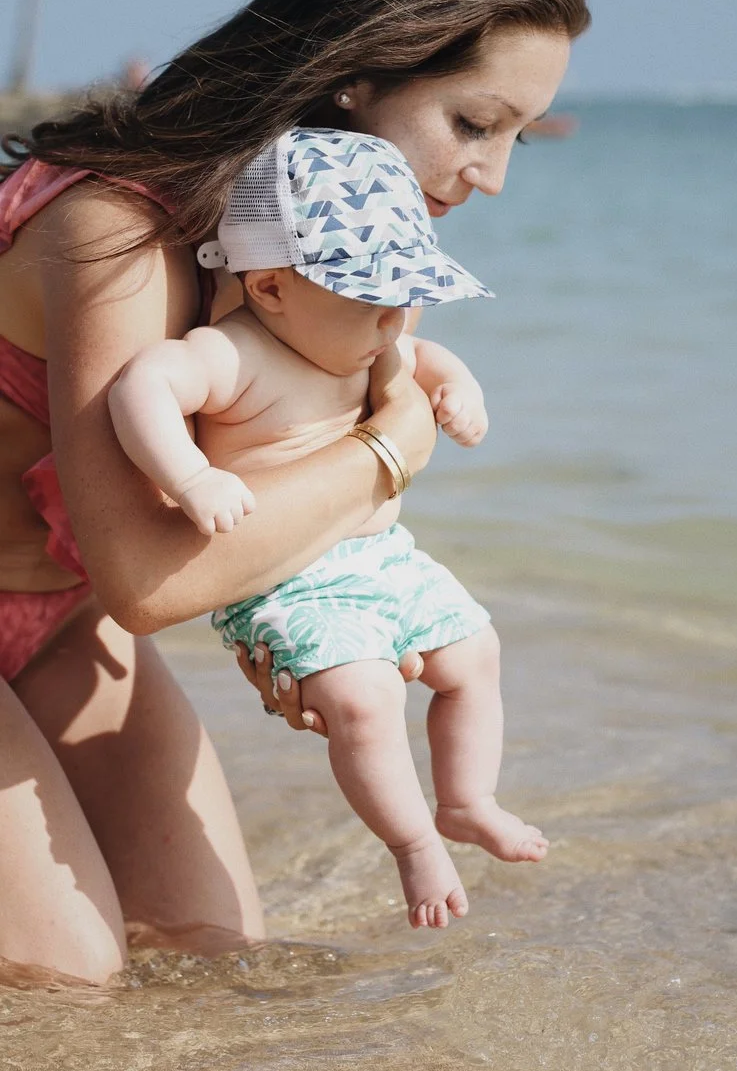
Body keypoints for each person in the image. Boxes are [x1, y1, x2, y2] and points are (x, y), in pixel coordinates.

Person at [0, 0, 589, 982]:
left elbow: (262, 501)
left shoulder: (323, 259)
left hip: (58, 623)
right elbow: (148, 582)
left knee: (213, 958)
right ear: (356, 72)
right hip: (103, 602)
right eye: (473, 123)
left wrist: (314, 631)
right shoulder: (116, 227)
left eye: (518, 137)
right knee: (74, 983)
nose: (492, 176)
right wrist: (390, 450)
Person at [108, 127, 549, 929]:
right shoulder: (234, 355)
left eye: (406, 294)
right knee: (365, 696)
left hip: (387, 558)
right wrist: (191, 475)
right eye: (374, 298)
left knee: (476, 652)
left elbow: (426, 355)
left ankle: (467, 798)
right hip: (290, 581)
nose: (396, 319)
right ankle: (413, 843)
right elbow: (140, 386)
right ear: (272, 287)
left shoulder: (370, 341)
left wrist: (461, 390)